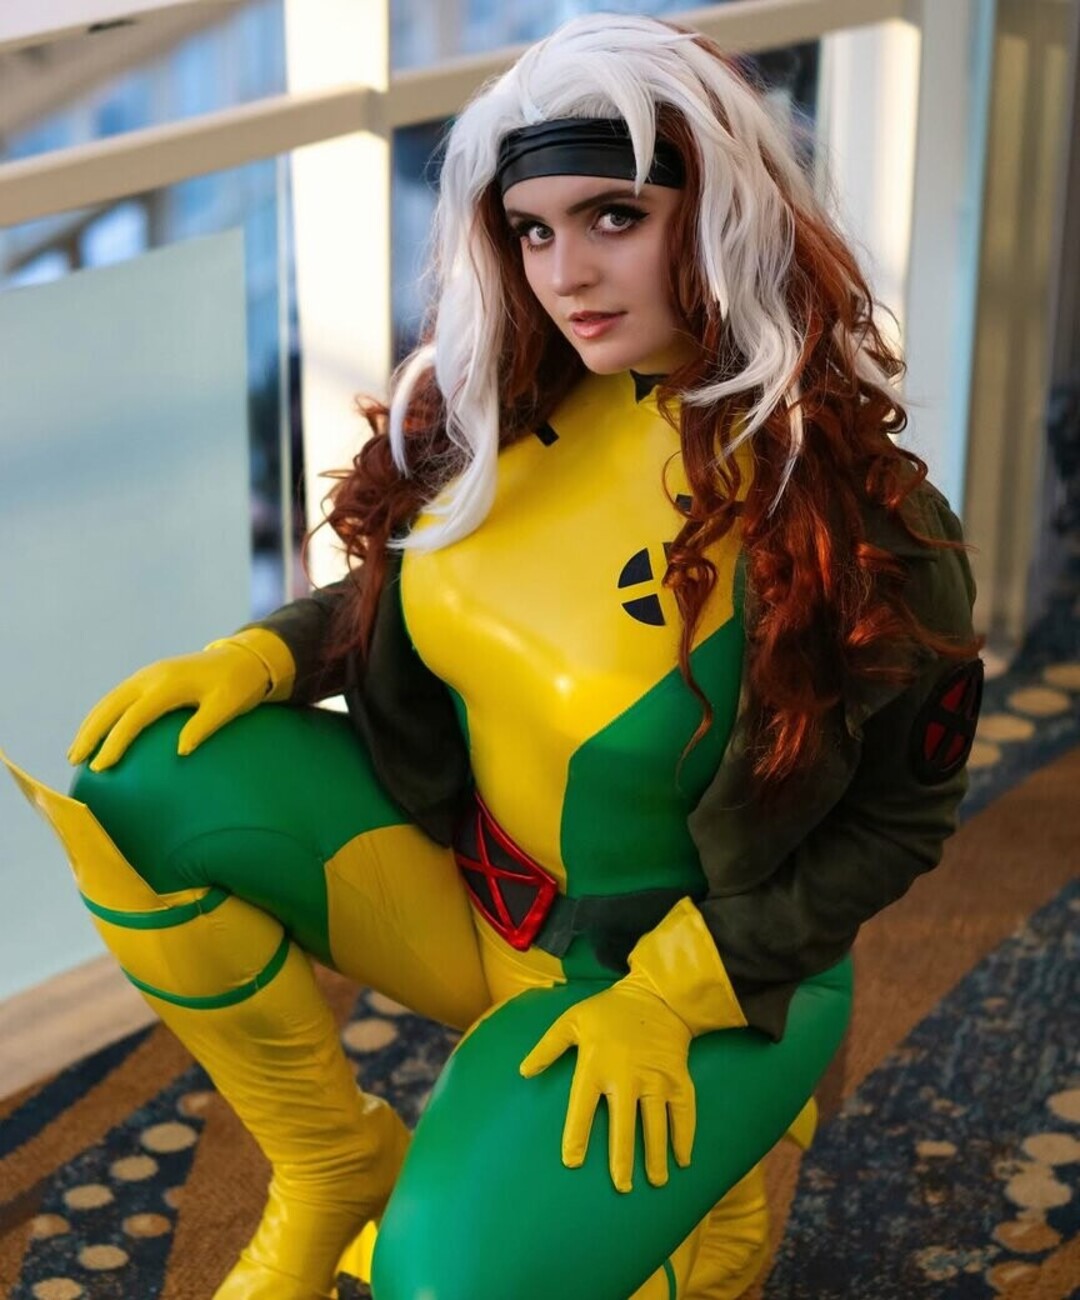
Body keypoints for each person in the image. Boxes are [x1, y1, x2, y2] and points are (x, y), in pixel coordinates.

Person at [3, 14, 983, 1300]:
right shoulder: (506, 409)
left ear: (720, 214)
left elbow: (902, 817)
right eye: (532, 230)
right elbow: (435, 597)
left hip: (688, 974)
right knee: (142, 780)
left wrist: (676, 992)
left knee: (447, 1283)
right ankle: (331, 1162)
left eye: (614, 217)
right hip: (474, 905)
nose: (567, 273)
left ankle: (711, 1217)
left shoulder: (856, 518)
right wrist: (270, 653)